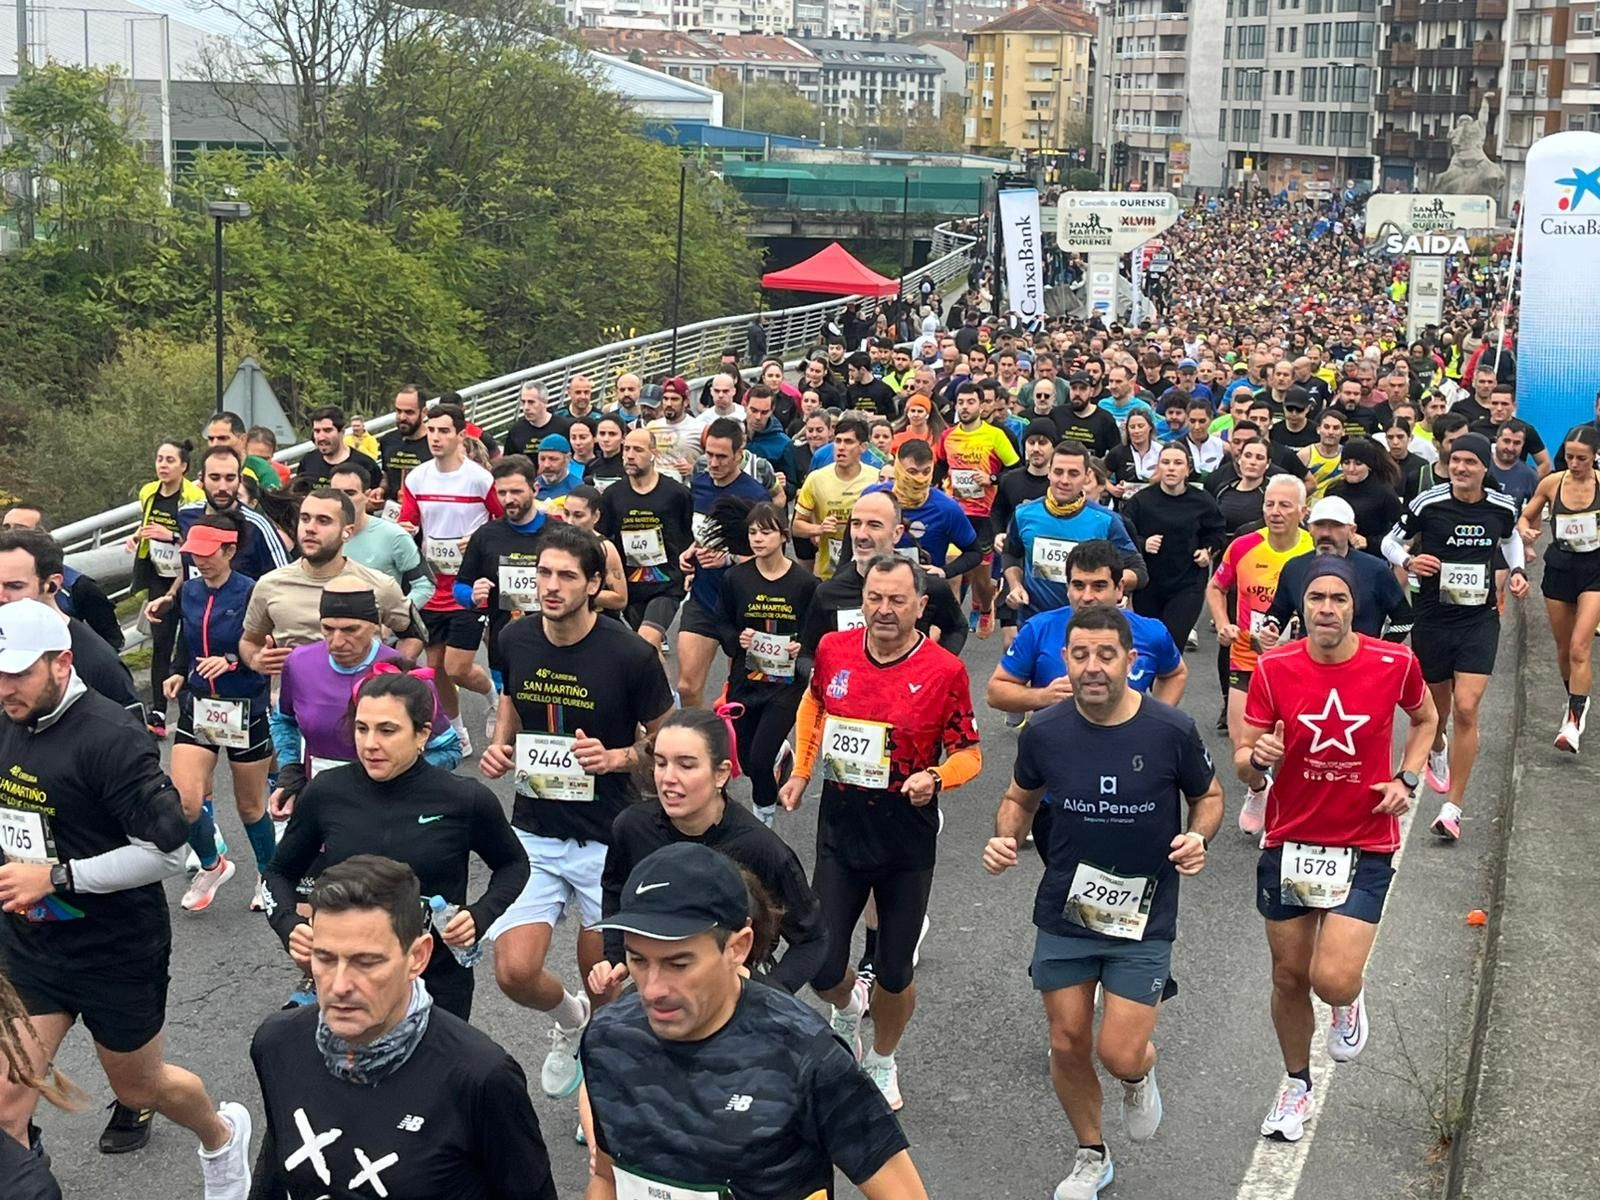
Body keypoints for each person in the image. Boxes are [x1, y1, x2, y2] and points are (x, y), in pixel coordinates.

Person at [0, 599, 253, 1193]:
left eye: (18, 673)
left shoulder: (112, 736)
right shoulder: (7, 719)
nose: (5, 688)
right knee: (7, 1106)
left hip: (114, 949)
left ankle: (220, 1137)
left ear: (61, 663)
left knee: (139, 1088)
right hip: (31, 945)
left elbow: (166, 854)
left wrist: (57, 877)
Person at [985, 605, 1221, 1200]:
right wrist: (1005, 835)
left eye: (1107, 655)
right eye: (1081, 655)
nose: (1093, 667)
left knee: (1117, 1050)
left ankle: (1138, 1075)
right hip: (1067, 906)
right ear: (1065, 659)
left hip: (1145, 912)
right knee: (1066, 1041)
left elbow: (1210, 796)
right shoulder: (1045, 731)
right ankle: (1092, 1153)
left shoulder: (1169, 731)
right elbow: (1019, 798)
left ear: (1130, 662)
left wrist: (1198, 836)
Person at [579, 842, 927, 1199]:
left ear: (738, 948)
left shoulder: (804, 1055)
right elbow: (607, 1178)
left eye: (678, 964)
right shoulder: (608, 1040)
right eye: (638, 960)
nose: (652, 990)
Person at [1234, 556, 1437, 1143]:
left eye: (1339, 600)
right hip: (1291, 839)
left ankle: (1349, 1000)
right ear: (1302, 606)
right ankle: (1296, 1084)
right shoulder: (1274, 668)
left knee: (1332, 979)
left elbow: (1425, 720)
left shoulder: (1393, 662)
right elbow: (1245, 756)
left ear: (1355, 608)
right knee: (1289, 976)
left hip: (1365, 837)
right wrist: (1257, 763)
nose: (1327, 608)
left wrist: (1407, 778)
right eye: (1317, 598)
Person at [779, 555, 983, 1110]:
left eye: (897, 600)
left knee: (894, 970)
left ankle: (884, 1058)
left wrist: (936, 778)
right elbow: (815, 704)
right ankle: (847, 1008)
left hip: (905, 836)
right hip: (842, 827)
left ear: (922, 606)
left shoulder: (944, 670)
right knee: (820, 959)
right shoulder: (834, 650)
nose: (884, 610)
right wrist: (801, 771)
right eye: (875, 598)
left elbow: (969, 752)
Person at [478, 523, 674, 1102]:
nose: (551, 586)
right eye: (543, 573)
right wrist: (500, 743)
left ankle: (603, 1081)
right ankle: (570, 1020)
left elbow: (666, 746)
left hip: (606, 838)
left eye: (567, 576)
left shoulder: (633, 653)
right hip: (535, 828)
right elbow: (511, 698)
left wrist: (616, 757)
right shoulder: (515, 639)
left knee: (609, 980)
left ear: (594, 584)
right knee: (513, 972)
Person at [251, 856, 558, 1200]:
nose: (339, 985)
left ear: (418, 957)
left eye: (366, 962)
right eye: (325, 958)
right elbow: (275, 1179)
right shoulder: (278, 1044)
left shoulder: (480, 1078)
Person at [263, 675, 528, 1021]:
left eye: (387, 731)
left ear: (422, 734)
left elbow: (514, 865)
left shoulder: (464, 798)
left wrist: (481, 915)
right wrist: (288, 925)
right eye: (362, 729)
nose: (370, 743)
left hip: (435, 978)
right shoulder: (327, 792)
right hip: (349, 981)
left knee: (432, 1075)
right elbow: (278, 873)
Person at [589, 707, 827, 1002]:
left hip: (731, 1003)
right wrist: (616, 957)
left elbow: (813, 940)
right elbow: (615, 889)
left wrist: (764, 994)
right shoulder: (632, 828)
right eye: (661, 763)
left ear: (721, 773)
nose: (668, 778)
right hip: (658, 992)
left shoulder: (761, 849)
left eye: (686, 765)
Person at [1381, 432, 1526, 840]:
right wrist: (1410, 559)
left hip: (1479, 619)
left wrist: (1517, 572)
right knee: (1437, 710)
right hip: (1433, 616)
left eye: (1471, 463)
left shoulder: (1501, 506)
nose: (1462, 468)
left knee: (1467, 707)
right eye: (1456, 461)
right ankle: (1437, 745)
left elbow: (1511, 539)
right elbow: (1389, 542)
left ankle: (1453, 807)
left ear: (1485, 468)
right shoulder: (1429, 502)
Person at [162, 514, 277, 914]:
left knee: (250, 807)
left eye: (209, 553)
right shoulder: (190, 591)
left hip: (245, 708)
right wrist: (178, 672)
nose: (200, 561)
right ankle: (213, 865)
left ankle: (270, 873)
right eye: (194, 553)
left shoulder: (253, 592)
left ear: (230, 550)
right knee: (185, 803)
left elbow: (264, 650)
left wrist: (230, 661)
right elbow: (186, 640)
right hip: (199, 707)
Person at [1204, 475, 1314, 834]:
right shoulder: (1244, 546)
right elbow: (1217, 587)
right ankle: (1258, 788)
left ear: (1302, 510)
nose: (1275, 512)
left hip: (1297, 662)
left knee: (1292, 745)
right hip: (1247, 658)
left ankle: (1284, 810)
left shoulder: (1314, 551)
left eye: (1284, 505)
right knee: (1243, 753)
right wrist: (1223, 624)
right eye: (1269, 504)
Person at [398, 402, 504, 754]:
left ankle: (493, 697)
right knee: (436, 667)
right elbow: (410, 523)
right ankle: (458, 733)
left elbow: (501, 521)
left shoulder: (478, 478)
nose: (436, 437)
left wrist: (478, 540)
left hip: (467, 584)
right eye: (431, 430)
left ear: (461, 434)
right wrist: (405, 529)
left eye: (444, 431)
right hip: (432, 584)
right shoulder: (417, 478)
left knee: (457, 667)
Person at [712, 503, 817, 825]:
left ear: (783, 535)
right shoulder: (736, 578)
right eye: (753, 532)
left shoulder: (804, 583)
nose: (758, 539)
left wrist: (803, 647)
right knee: (743, 757)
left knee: (758, 761)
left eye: (766, 532)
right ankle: (780, 755)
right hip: (746, 679)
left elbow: (816, 632)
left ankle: (764, 817)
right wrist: (737, 639)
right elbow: (722, 623)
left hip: (785, 685)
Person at [239, 488, 422, 671]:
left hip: (360, 696)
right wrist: (256, 660)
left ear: (347, 532)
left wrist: (391, 677)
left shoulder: (378, 585)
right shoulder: (269, 584)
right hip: (294, 696)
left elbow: (415, 635)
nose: (310, 528)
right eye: (305, 519)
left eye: (323, 521)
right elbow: (249, 641)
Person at [675, 418, 774, 709]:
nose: (713, 463)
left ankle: (735, 747)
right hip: (704, 599)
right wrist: (689, 552)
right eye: (709, 454)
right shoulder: (701, 483)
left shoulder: (755, 496)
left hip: (743, 602)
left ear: (739, 455)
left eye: (722, 456)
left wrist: (728, 558)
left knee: (740, 694)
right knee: (687, 685)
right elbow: (705, 533)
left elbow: (769, 555)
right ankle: (697, 744)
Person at [799, 490, 967, 656]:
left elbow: (956, 628)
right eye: (856, 524)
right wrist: (820, 675)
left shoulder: (927, 585)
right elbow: (807, 653)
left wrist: (934, 670)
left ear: (897, 533)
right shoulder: (830, 591)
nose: (861, 535)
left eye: (874, 525)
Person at [0, 529, 143, 721]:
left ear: (52, 585)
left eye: (14, 586)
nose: (1, 597)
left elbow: (130, 741)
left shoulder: (97, 663)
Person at [1518, 425, 1600, 753]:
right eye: (1569, 457)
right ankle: (1576, 699)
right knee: (1564, 649)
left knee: (1581, 647)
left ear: (1595, 457)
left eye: (1582, 458)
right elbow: (1525, 517)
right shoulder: (1553, 483)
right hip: (1560, 569)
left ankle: (1573, 723)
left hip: (1595, 570)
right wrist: (1526, 532)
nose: (1575, 463)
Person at [1003, 441, 1143, 621]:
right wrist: (1015, 585)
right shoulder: (1024, 513)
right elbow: (1011, 553)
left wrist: (1106, 583)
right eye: (1058, 472)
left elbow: (1138, 571)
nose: (1064, 480)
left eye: (1073, 473)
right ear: (1049, 472)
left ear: (1087, 476)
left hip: (1090, 622)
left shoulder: (1107, 521)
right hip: (1036, 620)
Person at [1259, 497, 1413, 645]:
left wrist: (1381, 648)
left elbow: (1405, 618)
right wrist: (1271, 627)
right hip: (1310, 664)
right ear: (1309, 528)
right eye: (1320, 525)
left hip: (1361, 665)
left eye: (1336, 525)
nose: (1326, 533)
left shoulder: (1376, 569)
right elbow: (1277, 612)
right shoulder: (1294, 568)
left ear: (1352, 530)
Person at [128, 439, 205, 734]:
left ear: (184, 466)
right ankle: (158, 711)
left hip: (190, 576)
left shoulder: (194, 496)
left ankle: (193, 700)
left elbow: (198, 539)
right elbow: (147, 524)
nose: (163, 465)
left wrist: (170, 534)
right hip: (159, 575)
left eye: (170, 460)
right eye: (159, 459)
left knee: (191, 637)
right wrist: (137, 536)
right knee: (161, 642)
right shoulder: (148, 492)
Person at [1121, 444, 1227, 649]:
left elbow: (1217, 532)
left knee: (1171, 642)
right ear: (1158, 467)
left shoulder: (1202, 501)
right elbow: (1124, 535)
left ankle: (1170, 678)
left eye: (1178, 463)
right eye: (1166, 462)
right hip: (1150, 585)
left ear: (1187, 470)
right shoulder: (1141, 501)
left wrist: (1208, 551)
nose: (1171, 468)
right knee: (1148, 644)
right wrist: (1143, 543)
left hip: (1187, 583)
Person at [599, 426, 695, 654]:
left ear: (654, 453)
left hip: (666, 585)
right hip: (631, 586)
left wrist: (689, 571)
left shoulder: (676, 493)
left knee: (647, 639)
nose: (630, 455)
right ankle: (664, 691)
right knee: (646, 651)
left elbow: (687, 534)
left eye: (638, 450)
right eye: (627, 449)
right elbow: (604, 538)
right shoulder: (613, 495)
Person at [1, 507, 122, 652]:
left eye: (20, 529)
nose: (10, 534)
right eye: (6, 528)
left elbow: (113, 639)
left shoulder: (78, 586)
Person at [172, 446, 294, 583]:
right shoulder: (185, 515)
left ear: (239, 480)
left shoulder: (257, 526)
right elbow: (186, 567)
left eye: (230, 478)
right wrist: (171, 595)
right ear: (202, 479)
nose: (223, 487)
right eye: (215, 478)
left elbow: (286, 580)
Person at [869, 437, 980, 584]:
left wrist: (945, 572)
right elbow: (850, 541)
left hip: (924, 590)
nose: (919, 479)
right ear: (899, 469)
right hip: (876, 584)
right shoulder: (873, 497)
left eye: (926, 471)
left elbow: (975, 552)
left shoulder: (946, 508)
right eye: (912, 472)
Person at [326, 463, 432, 612]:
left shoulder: (393, 535)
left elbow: (425, 585)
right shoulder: (318, 535)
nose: (342, 500)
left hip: (380, 631)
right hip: (328, 628)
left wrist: (396, 617)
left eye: (350, 493)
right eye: (336, 494)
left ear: (366, 495)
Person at [793, 415, 883, 581]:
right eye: (838, 441)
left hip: (869, 569)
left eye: (848, 442)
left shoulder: (876, 478)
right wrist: (818, 529)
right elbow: (796, 527)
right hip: (829, 572)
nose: (841, 447)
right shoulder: (816, 479)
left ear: (863, 447)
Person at [1327, 436, 1404, 556]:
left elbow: (1401, 534)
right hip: (1336, 554)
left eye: (1358, 464)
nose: (1351, 469)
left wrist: (1369, 542)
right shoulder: (1334, 490)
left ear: (1369, 465)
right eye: (1346, 463)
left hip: (1372, 556)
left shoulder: (1384, 492)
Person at [295, 406, 381, 489]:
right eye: (317, 431)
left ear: (342, 432)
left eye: (327, 430)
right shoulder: (308, 461)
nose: (321, 437)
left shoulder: (365, 464)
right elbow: (298, 496)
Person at [377, 384, 431, 505]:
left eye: (409, 412)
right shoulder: (388, 440)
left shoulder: (434, 443)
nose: (402, 417)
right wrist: (380, 490)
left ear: (424, 412)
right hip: (391, 514)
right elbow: (387, 476)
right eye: (398, 411)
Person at [503, 383, 572, 459]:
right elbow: (508, 463)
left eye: (531, 402)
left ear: (545, 402)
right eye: (523, 402)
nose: (526, 407)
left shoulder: (563, 427)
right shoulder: (516, 431)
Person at [1299, 409, 1348, 501]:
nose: (1330, 432)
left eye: (1336, 428)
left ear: (1343, 432)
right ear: (1318, 430)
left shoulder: (1348, 455)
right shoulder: (1305, 455)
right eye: (1326, 427)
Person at [585, 414, 627, 490]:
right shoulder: (591, 465)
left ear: (623, 438)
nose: (606, 439)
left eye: (612, 434)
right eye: (602, 433)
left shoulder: (628, 465)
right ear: (596, 437)